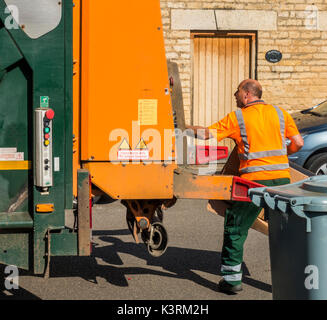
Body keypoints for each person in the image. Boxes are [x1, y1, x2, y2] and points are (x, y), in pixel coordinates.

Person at [186, 79, 304, 294]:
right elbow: (298, 143)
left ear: (247, 94)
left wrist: (182, 127)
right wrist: (279, 156)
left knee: (236, 227)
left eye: (237, 92)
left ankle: (231, 281)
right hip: (282, 181)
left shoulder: (238, 117)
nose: (234, 95)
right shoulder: (280, 113)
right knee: (285, 231)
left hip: (254, 182)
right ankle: (299, 278)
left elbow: (206, 135)